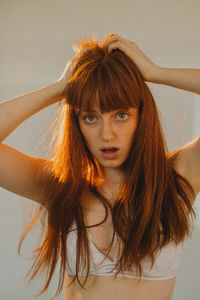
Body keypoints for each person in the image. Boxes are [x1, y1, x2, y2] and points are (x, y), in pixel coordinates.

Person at [0, 33, 199, 300]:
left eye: (121, 115)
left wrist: (155, 72)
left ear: (143, 116)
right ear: (77, 123)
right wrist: (62, 87)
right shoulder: (59, 184)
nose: (107, 134)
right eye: (91, 117)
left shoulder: (177, 178)